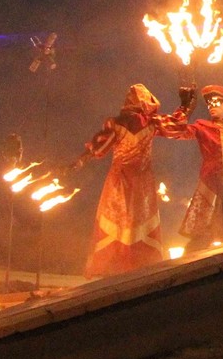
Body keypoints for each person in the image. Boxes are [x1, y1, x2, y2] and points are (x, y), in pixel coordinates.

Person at [68, 81, 195, 278]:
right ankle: (140, 266)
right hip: (142, 181)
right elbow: (176, 125)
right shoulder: (152, 123)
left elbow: (99, 148)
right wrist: (185, 105)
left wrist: (81, 159)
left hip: (120, 180)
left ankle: (112, 267)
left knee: (119, 222)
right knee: (139, 222)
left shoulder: (117, 123)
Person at [167, 84, 223, 250]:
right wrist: (185, 108)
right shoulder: (202, 127)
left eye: (218, 102)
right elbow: (176, 132)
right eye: (210, 103)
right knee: (201, 236)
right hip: (210, 187)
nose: (213, 106)